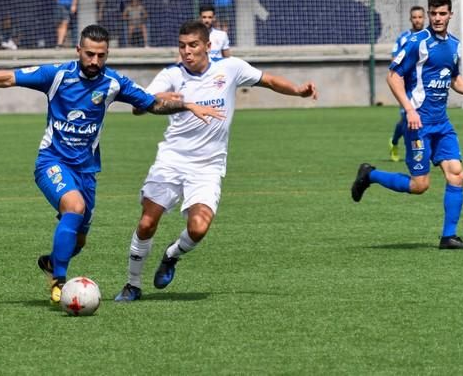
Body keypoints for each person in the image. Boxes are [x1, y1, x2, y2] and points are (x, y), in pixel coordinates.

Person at [0, 24, 223, 304]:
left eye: (101, 55)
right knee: (73, 208)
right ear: (78, 50)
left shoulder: (113, 83)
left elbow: (152, 104)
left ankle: (52, 262)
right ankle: (59, 283)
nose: (94, 61)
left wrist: (185, 105)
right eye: (89, 54)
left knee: (78, 241)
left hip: (87, 171)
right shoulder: (57, 75)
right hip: (51, 161)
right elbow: (7, 78)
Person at [114, 20, 317, 301]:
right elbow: (140, 107)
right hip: (172, 160)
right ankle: (132, 284)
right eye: (182, 46)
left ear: (208, 46)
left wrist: (297, 91)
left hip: (208, 166)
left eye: (193, 45)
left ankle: (172, 255)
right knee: (148, 222)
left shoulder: (229, 69)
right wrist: (158, 98)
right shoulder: (171, 75)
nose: (187, 52)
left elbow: (268, 80)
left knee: (198, 228)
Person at [350, 0, 463, 250]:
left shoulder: (455, 45)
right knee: (420, 186)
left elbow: (453, 79)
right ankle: (370, 175)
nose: (438, 18)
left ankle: (448, 237)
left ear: (450, 14)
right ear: (428, 14)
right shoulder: (418, 41)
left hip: (442, 123)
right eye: (433, 13)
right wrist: (410, 110)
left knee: (457, 175)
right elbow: (393, 76)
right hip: (419, 122)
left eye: (442, 13)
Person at [389, 5, 425, 161]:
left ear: (424, 18)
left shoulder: (429, 37)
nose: (417, 20)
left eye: (420, 17)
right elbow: (395, 62)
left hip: (423, 85)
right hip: (407, 85)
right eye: (414, 17)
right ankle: (397, 143)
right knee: (406, 117)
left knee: (421, 117)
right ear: (410, 19)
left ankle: (419, 150)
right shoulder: (404, 38)